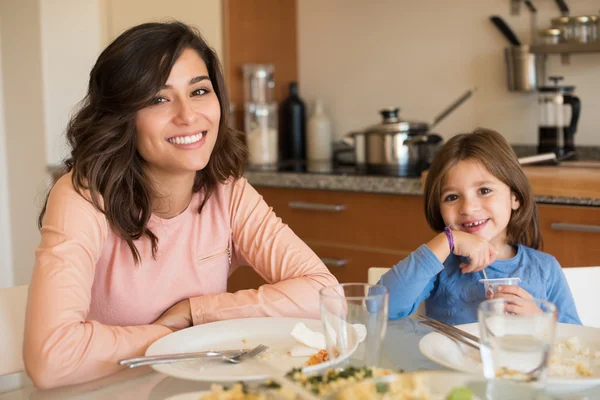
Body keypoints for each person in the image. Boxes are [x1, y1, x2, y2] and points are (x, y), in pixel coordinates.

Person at [23, 21, 338, 389]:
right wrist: (170, 336)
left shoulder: (228, 192)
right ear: (122, 117)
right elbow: (51, 358)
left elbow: (327, 296)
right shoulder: (82, 198)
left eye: (200, 91)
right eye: (158, 98)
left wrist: (196, 314)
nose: (188, 115)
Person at [380, 128, 580, 325]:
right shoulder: (440, 266)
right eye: (452, 197)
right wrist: (447, 240)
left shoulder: (545, 268)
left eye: (484, 190)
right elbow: (379, 308)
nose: (468, 208)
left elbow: (574, 342)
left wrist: (540, 320)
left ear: (515, 197)